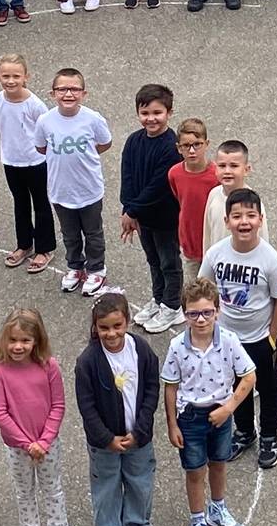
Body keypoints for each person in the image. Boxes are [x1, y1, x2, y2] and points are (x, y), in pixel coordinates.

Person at [164, 277, 255, 526]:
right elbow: (170, 386)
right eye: (193, 313)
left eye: (206, 312)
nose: (200, 319)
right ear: (185, 314)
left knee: (218, 464)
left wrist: (228, 408)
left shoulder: (228, 341)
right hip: (190, 416)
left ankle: (218, 509)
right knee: (194, 471)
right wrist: (172, 424)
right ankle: (197, 521)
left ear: (217, 311)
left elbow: (249, 376)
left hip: (220, 414)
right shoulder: (177, 346)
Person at [201, 189, 277, 471]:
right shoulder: (216, 253)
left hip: (261, 338)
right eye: (237, 216)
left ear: (261, 220)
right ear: (226, 221)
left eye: (251, 216)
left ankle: (268, 435)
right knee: (234, 384)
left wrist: (272, 335)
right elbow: (204, 288)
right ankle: (243, 432)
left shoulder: (270, 259)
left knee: (268, 387)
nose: (244, 222)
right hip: (228, 338)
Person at [75, 293, 160, 526]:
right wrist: (105, 438)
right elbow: (86, 407)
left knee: (139, 481)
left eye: (117, 326)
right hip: (105, 443)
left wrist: (141, 430)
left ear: (127, 322)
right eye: (104, 328)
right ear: (95, 327)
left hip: (138, 437)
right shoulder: (88, 361)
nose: (111, 333)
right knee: (106, 485)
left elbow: (151, 390)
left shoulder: (142, 351)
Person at [0, 307, 73, 526]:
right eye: (13, 340)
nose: (18, 346)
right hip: (18, 448)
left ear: (37, 340)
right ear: (4, 339)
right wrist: (28, 444)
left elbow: (58, 405)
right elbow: (0, 413)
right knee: (24, 492)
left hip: (47, 445)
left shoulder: (49, 366)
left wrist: (44, 441)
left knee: (53, 492)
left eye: (25, 340)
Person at [38, 66, 116, 295]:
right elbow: (41, 147)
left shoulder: (93, 119)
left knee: (93, 233)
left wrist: (83, 157)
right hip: (61, 191)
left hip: (89, 189)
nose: (68, 94)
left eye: (74, 89)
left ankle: (96, 268)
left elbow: (104, 143)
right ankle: (74, 266)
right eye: (62, 89)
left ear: (84, 93)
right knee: (70, 234)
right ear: (52, 93)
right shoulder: (45, 121)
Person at [117, 83, 185, 333]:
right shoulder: (134, 141)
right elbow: (128, 176)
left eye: (157, 113)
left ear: (169, 112)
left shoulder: (171, 146)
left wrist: (133, 211)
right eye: (145, 113)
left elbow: (159, 186)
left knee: (169, 262)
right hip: (143, 216)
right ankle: (158, 299)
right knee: (153, 260)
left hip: (165, 218)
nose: (151, 118)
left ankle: (173, 305)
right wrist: (128, 207)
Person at [0, 54, 54, 274]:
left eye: (16, 76)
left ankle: (45, 248)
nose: (10, 80)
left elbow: (46, 131)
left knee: (41, 203)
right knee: (20, 203)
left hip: (35, 161)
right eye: (5, 76)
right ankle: (24, 244)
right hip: (11, 160)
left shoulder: (35, 105)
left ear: (26, 76)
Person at [169, 121, 222, 283]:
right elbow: (180, 200)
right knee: (197, 290)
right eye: (186, 146)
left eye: (197, 144)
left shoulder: (217, 175)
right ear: (179, 148)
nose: (192, 151)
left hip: (214, 244)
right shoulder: (174, 173)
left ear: (206, 144)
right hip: (190, 244)